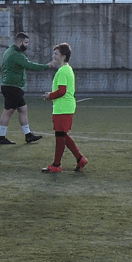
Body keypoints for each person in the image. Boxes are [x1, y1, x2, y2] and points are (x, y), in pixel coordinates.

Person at [41, 43, 88, 173]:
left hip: (63, 107)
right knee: (62, 135)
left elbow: (62, 91)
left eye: (56, 54)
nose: (53, 56)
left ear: (63, 56)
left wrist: (49, 96)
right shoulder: (67, 69)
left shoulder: (62, 71)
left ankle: (56, 165)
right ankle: (80, 159)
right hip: (64, 107)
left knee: (60, 136)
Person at [0, 29, 48, 145]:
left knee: (20, 109)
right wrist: (47, 66)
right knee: (9, 111)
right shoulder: (16, 54)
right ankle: (3, 137)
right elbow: (29, 65)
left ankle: (27, 135)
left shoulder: (9, 51)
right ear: (19, 42)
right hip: (13, 87)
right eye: (25, 43)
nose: (27, 45)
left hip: (9, 85)